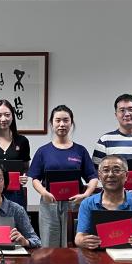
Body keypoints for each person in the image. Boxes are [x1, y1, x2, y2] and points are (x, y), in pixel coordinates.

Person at [27, 105, 99, 247]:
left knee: (72, 243)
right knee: (49, 245)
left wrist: (86, 195)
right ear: (51, 123)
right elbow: (35, 179)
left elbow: (93, 177)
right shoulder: (43, 151)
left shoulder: (80, 150)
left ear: (71, 123)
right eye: (58, 120)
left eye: (66, 120)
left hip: (74, 203)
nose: (62, 124)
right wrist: (44, 193)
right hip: (49, 203)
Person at [75, 155, 132, 249]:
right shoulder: (87, 204)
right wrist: (83, 241)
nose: (111, 175)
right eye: (106, 170)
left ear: (126, 175)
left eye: (116, 170)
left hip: (130, 256)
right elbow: (78, 239)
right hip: (96, 256)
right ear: (99, 175)